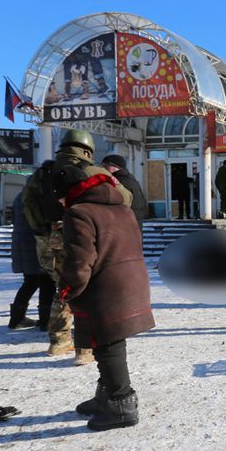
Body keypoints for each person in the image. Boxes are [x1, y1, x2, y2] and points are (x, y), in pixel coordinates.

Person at [53, 165, 154, 431]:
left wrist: (65, 289)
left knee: (108, 345)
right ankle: (106, 396)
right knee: (106, 343)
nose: (59, 202)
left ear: (69, 193)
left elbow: (79, 261)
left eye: (59, 196)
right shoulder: (122, 208)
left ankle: (122, 405)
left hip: (104, 287)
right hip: (130, 281)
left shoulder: (79, 213)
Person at [25, 130, 131, 364]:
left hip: (47, 240)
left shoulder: (42, 173)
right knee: (87, 290)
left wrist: (42, 232)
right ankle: (85, 349)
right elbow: (126, 198)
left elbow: (27, 204)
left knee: (64, 287)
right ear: (87, 150)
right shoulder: (93, 171)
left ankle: (59, 341)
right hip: (81, 234)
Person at [9, 193, 53, 330]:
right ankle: (46, 321)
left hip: (22, 244)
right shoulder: (41, 196)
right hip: (38, 243)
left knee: (30, 282)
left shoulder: (19, 196)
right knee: (47, 281)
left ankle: (16, 319)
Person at [102, 155, 146, 233]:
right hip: (133, 222)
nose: (103, 169)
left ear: (114, 166)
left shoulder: (120, 181)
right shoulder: (129, 178)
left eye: (105, 166)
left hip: (126, 224)